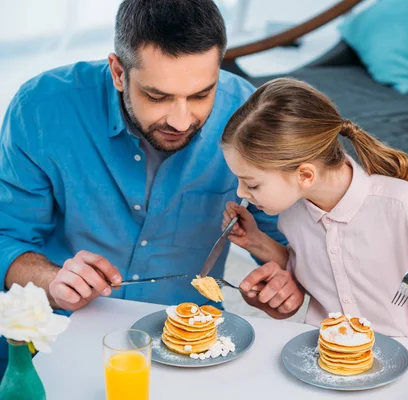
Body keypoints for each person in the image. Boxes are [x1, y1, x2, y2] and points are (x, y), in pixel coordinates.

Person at [0, 0, 304, 376]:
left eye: (201, 95)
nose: (180, 120)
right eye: (157, 97)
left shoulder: (247, 115)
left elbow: (291, 247)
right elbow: (7, 237)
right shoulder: (42, 108)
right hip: (57, 333)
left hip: (192, 344)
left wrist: (284, 286)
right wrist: (52, 279)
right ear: (117, 72)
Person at [221, 78, 408, 339]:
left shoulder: (402, 207)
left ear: (305, 175)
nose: (240, 193)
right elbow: (308, 266)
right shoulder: (293, 213)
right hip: (326, 351)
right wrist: (256, 242)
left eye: (252, 184)